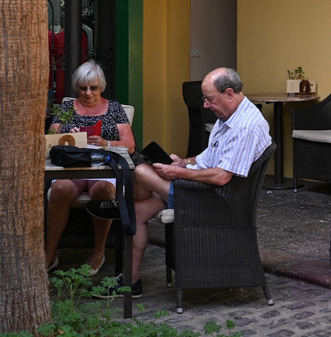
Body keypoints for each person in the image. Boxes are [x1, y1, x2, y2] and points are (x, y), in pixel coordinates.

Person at [94, 67, 271, 299]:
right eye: (204, 99)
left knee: (141, 172)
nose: (206, 105)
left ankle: (119, 202)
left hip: (214, 200)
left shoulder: (244, 127)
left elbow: (221, 176)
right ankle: (131, 281)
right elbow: (210, 156)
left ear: (229, 93)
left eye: (209, 99)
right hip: (200, 190)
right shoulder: (229, 115)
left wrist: (178, 174)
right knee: (136, 211)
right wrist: (184, 162)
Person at [45, 61, 135, 274]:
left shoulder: (114, 108)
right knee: (59, 189)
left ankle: (98, 251)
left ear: (101, 87)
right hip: (72, 169)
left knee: (105, 190)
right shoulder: (67, 108)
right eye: (82, 88)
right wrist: (67, 136)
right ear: (76, 87)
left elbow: (130, 146)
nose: (87, 93)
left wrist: (107, 143)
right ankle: (50, 253)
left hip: (102, 167)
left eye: (93, 88)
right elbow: (49, 140)